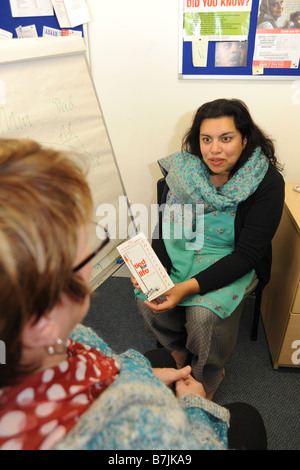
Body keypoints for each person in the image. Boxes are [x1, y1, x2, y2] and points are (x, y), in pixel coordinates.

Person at [0, 138, 267, 451]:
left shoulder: (39, 339)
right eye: (84, 241)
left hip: (121, 381)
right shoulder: (132, 430)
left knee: (161, 355)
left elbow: (95, 362)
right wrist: (195, 407)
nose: (216, 148)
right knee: (246, 418)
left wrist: (139, 373)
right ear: (47, 311)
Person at [133, 98, 285, 401]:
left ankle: (207, 373)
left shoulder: (266, 182)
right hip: (184, 249)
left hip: (233, 259)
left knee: (203, 317)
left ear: (244, 139)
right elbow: (164, 228)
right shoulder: (182, 174)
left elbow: (247, 255)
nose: (214, 149)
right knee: (146, 292)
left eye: (226, 138)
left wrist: (186, 288)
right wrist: (155, 270)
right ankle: (177, 349)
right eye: (206, 139)